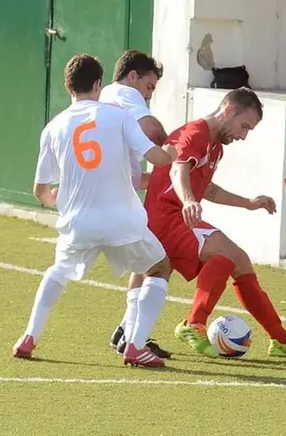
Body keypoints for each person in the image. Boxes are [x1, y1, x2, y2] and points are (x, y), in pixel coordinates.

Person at [12, 54, 175, 367]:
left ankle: (29, 337)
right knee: (159, 267)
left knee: (58, 271)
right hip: (122, 221)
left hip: (79, 223)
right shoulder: (118, 116)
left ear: (68, 86)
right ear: (99, 84)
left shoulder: (53, 127)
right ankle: (135, 345)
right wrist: (171, 152)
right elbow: (155, 157)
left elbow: (40, 191)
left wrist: (58, 201)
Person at [144, 88, 286, 358]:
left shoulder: (215, 147)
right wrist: (189, 200)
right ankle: (194, 324)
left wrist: (248, 203)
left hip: (180, 217)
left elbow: (208, 189)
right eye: (244, 126)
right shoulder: (196, 133)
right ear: (228, 111)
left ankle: (281, 339)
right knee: (228, 255)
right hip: (166, 218)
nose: (243, 135)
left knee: (238, 259)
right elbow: (179, 169)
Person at [100, 50, 172, 358]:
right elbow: (153, 129)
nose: (149, 95)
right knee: (160, 265)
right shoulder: (125, 94)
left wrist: (154, 179)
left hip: (105, 197)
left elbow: (132, 172)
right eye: (149, 87)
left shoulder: (105, 98)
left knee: (146, 263)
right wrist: (175, 147)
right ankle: (135, 342)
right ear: (133, 77)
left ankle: (127, 331)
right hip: (116, 205)